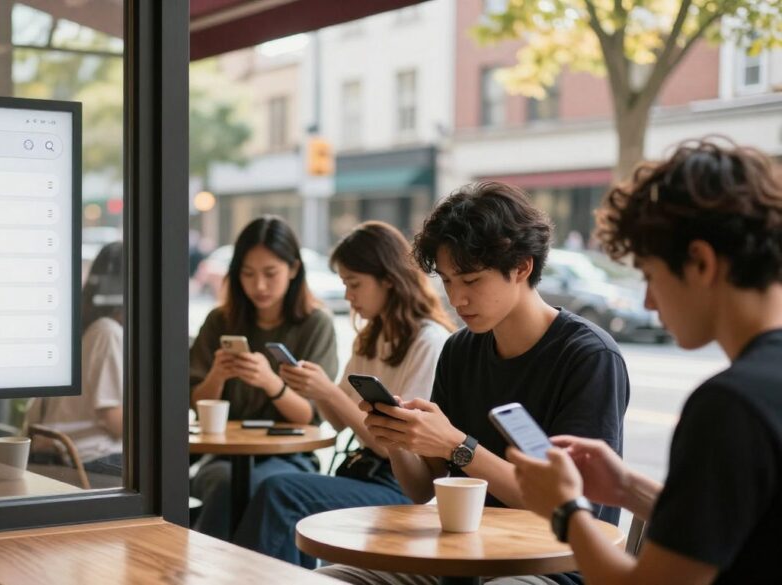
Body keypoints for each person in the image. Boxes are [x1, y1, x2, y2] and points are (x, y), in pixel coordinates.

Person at [319, 182, 629, 585]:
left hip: (553, 565)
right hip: (458, 556)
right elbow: (423, 489)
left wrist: (457, 445)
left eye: (471, 280)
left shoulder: (587, 357)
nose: (457, 299)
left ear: (521, 267)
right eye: (448, 281)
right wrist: (398, 440)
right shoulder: (460, 350)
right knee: (328, 579)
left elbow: (563, 506)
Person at [508, 140, 782, 585]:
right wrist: (625, 490)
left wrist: (567, 510)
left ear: (699, 262)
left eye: (650, 275)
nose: (650, 302)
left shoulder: (730, 406)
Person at [233, 221, 456, 567]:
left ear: (388, 279)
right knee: (272, 490)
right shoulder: (371, 337)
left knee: (279, 491)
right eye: (344, 284)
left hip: (402, 485)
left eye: (354, 284)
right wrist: (316, 388)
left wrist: (331, 394)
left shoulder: (429, 342)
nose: (348, 296)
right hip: (361, 471)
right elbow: (336, 423)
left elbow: (395, 444)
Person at [190, 216, 338, 540]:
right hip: (224, 456)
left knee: (264, 487)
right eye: (248, 274)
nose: (259, 286)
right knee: (223, 481)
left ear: (294, 269)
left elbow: (309, 416)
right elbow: (195, 402)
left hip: (290, 456)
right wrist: (217, 374)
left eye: (270, 274)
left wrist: (271, 382)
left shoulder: (315, 324)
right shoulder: (220, 320)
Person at [25, 242, 126, 477]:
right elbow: (113, 420)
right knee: (166, 473)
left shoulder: (79, 329)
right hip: (87, 458)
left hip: (57, 455)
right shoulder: (106, 331)